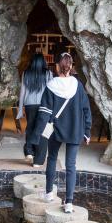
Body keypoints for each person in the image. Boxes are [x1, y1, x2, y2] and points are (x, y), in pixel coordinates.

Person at [34, 53, 92, 213]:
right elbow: (86, 109)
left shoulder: (51, 85)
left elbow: (44, 112)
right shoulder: (78, 85)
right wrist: (87, 131)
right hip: (75, 129)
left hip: (56, 129)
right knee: (71, 165)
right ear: (71, 66)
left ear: (58, 66)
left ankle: (49, 194)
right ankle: (69, 203)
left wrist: (37, 132)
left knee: (52, 158)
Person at [16, 53, 53, 166]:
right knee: (41, 130)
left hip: (29, 105)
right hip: (44, 105)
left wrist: (20, 109)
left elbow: (22, 92)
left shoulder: (26, 73)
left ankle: (29, 152)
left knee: (31, 126)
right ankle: (37, 160)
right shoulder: (48, 74)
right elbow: (51, 92)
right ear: (43, 62)